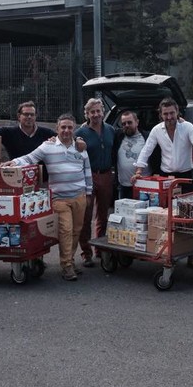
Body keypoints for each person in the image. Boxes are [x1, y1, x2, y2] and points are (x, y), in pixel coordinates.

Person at [0, 113, 92, 282]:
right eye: (63, 127)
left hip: (79, 196)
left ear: (74, 129)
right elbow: (30, 158)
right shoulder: (47, 146)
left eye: (70, 127)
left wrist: (88, 193)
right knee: (66, 231)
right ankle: (66, 267)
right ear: (57, 129)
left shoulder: (80, 148)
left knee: (76, 232)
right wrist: (13, 162)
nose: (66, 130)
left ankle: (69, 260)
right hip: (59, 198)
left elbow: (87, 171)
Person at [0, 101, 85, 179]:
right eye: (26, 114)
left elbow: (65, 134)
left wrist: (78, 139)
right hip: (17, 178)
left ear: (35, 117)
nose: (29, 117)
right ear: (19, 116)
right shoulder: (10, 132)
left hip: (42, 180)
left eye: (32, 114)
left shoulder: (46, 133)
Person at [133, 97, 193, 186]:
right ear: (161, 115)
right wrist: (138, 171)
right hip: (165, 177)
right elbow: (146, 151)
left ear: (177, 112)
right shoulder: (156, 130)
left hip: (185, 176)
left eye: (172, 113)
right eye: (165, 114)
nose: (169, 117)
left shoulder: (188, 127)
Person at [75, 98, 115, 267]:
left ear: (103, 112)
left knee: (103, 215)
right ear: (87, 114)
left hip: (106, 175)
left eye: (99, 111)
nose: (96, 114)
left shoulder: (111, 130)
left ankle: (99, 247)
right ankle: (86, 252)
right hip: (88, 176)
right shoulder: (80, 132)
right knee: (86, 215)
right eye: (92, 112)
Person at [112, 110, 160, 199]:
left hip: (144, 186)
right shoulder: (118, 137)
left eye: (129, 122)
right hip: (123, 187)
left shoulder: (148, 137)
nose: (126, 125)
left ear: (137, 122)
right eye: (123, 123)